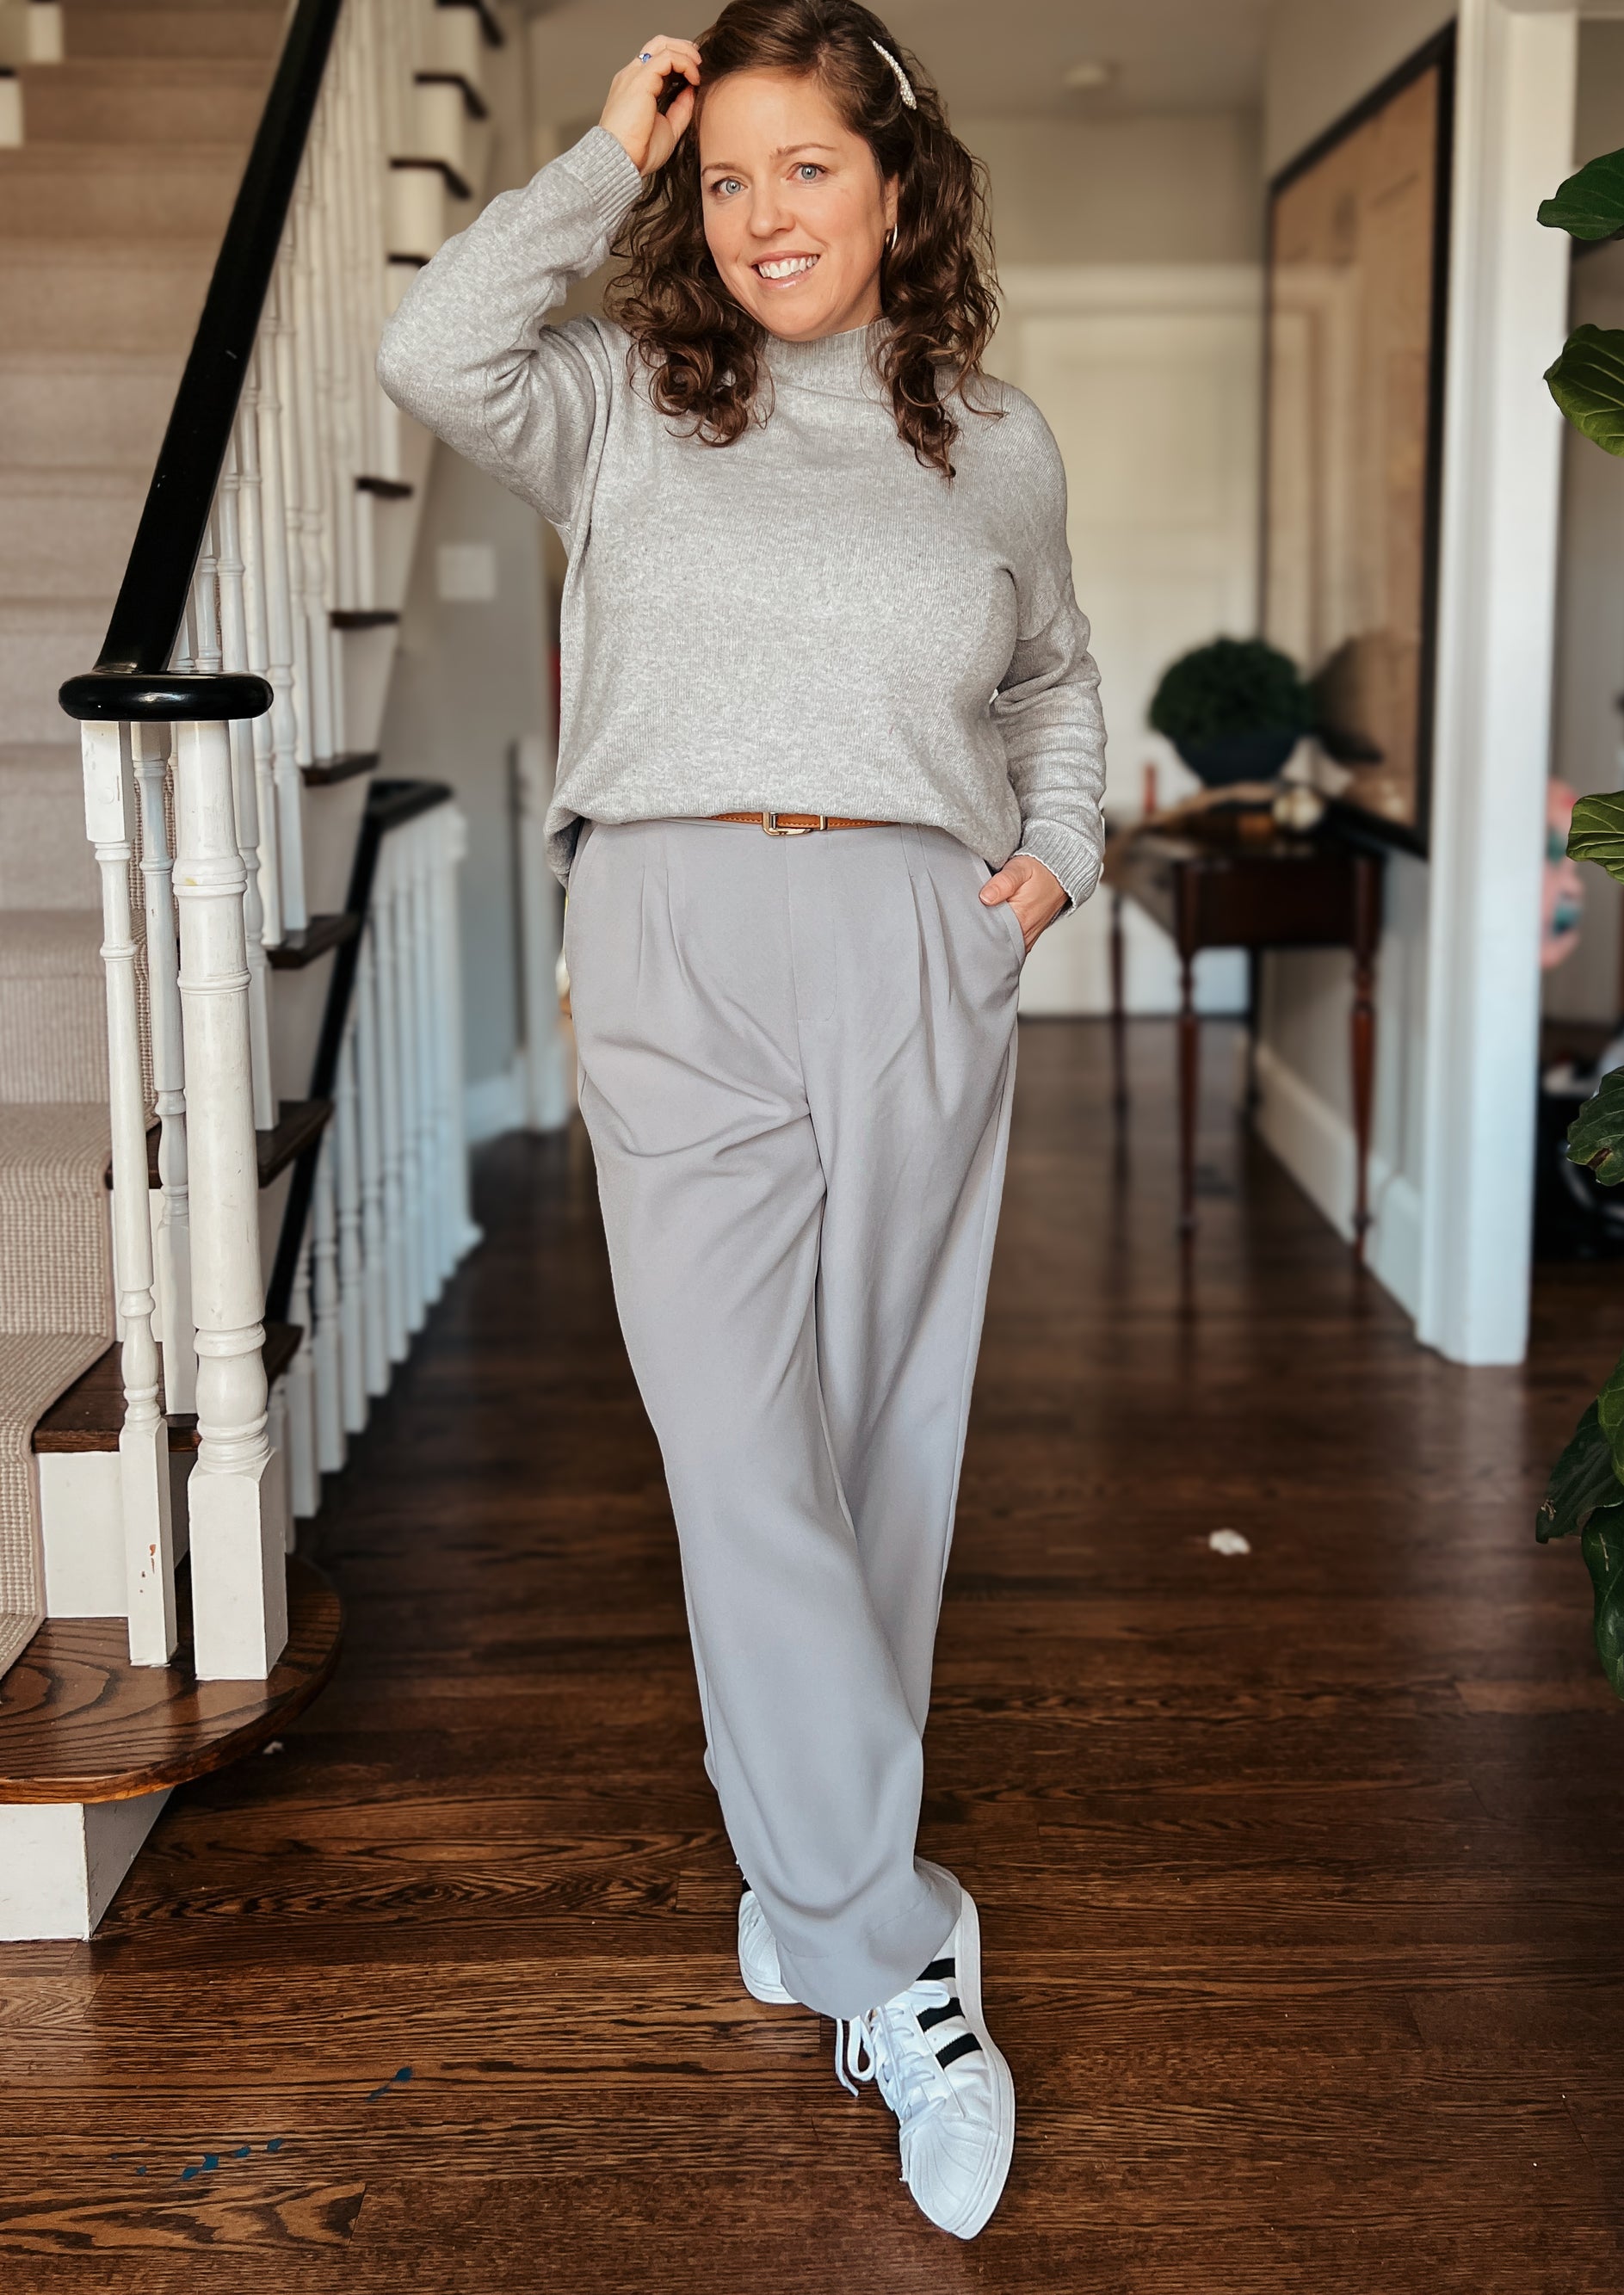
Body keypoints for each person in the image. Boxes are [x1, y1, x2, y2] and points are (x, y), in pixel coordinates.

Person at [377, 0, 1105, 2239]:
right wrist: (607, 151)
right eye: (726, 177)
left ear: (898, 184)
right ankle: (897, 1957)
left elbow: (1056, 677)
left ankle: (807, 1893)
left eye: (807, 166)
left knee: (880, 1436)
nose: (764, 214)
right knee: (737, 1449)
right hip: (672, 932)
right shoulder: (623, 399)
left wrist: (1053, 862)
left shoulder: (996, 441)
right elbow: (428, 345)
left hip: (911, 936)